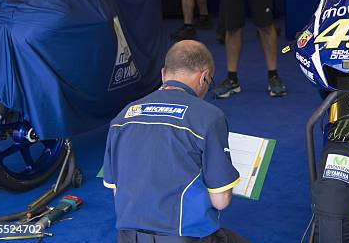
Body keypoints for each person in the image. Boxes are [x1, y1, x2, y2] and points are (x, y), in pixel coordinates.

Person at [103, 40, 247, 243]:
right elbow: (221, 200)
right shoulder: (209, 117)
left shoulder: (122, 116)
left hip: (128, 237)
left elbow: (116, 188)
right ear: (204, 77)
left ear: (163, 74)